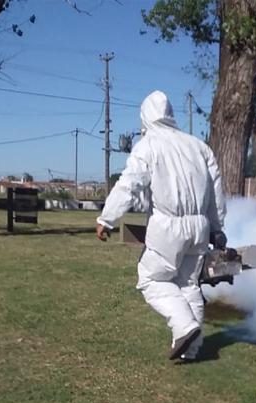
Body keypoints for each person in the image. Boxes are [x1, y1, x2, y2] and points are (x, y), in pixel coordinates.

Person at [95, 90, 226, 363]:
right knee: (188, 284)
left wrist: (107, 219)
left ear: (145, 117)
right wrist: (216, 227)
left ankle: (184, 327)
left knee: (151, 279)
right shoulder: (198, 146)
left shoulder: (149, 145)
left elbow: (129, 185)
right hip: (200, 227)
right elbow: (216, 191)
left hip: (167, 225)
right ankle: (191, 350)